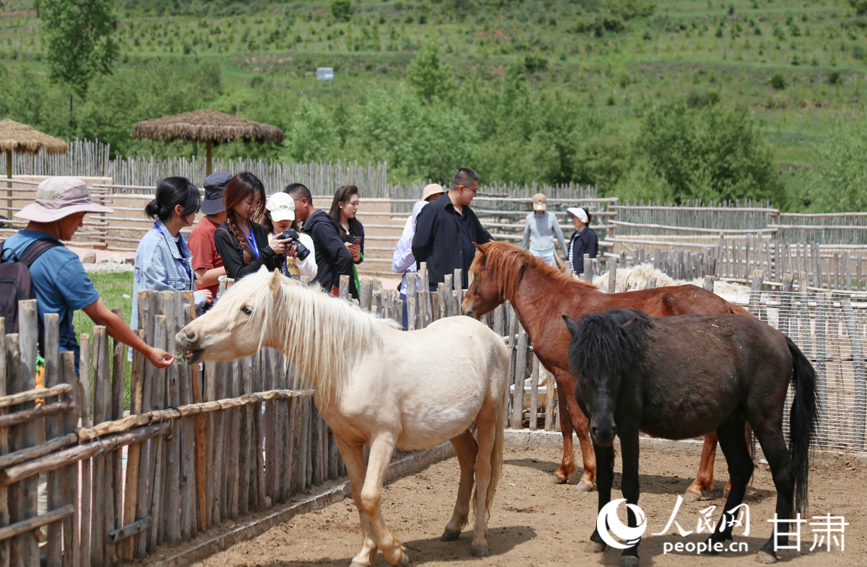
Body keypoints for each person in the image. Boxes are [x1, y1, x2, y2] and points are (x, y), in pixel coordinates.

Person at [1, 177, 173, 373]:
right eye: (80, 215)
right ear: (62, 215)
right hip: (51, 370)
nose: (81, 224)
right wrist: (148, 350)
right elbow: (103, 317)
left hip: (11, 364)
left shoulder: (6, 247)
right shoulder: (60, 259)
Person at [132, 176, 211, 334]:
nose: (196, 212)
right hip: (155, 341)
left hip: (173, 337)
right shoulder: (153, 246)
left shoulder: (177, 241)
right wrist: (197, 298)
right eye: (193, 207)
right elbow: (157, 299)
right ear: (179, 210)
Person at [412, 168, 492, 291]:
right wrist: (433, 274)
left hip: (465, 287)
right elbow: (419, 246)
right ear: (461, 189)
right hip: (439, 288)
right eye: (474, 191)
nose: (475, 195)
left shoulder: (469, 215)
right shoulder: (433, 210)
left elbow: (486, 240)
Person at [214, 172, 286, 281]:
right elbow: (238, 276)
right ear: (234, 199)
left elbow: (270, 271)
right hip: (243, 297)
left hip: (263, 295)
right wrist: (269, 251)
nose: (254, 207)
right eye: (249, 202)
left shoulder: (260, 229)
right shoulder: (223, 234)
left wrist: (280, 254)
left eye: (258, 203)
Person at [284, 182, 353, 297]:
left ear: (304, 202)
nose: (289, 210)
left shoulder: (320, 226)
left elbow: (344, 256)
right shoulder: (311, 225)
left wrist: (336, 288)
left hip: (325, 297)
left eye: (291, 205)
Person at [392, 183, 445, 329]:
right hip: (408, 292)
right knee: (406, 331)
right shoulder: (407, 239)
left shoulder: (441, 240)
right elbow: (395, 266)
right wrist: (412, 253)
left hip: (432, 294)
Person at [188, 171, 231, 301]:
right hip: (210, 306)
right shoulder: (203, 232)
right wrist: (237, 266)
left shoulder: (228, 226)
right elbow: (200, 279)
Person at [263, 191, 318, 281]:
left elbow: (311, 276)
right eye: (279, 217)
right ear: (269, 215)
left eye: (287, 217)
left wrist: (299, 258)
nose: (284, 221)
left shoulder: (304, 239)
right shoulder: (263, 238)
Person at [328, 185, 364, 299]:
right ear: (340, 204)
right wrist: (341, 250)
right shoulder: (329, 226)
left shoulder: (357, 226)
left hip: (351, 281)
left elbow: (360, 259)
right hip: (332, 280)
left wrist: (357, 255)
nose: (356, 207)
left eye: (357, 203)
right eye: (353, 204)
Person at [521, 192, 567, 268]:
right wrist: (522, 253)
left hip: (549, 253)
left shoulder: (552, 217)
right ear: (532, 206)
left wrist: (566, 253)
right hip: (534, 253)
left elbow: (559, 235)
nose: (539, 210)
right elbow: (526, 237)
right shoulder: (529, 218)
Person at [566, 206, 598, 276]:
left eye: (576, 217)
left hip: (583, 274)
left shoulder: (590, 235)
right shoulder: (574, 235)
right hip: (572, 273)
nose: (574, 219)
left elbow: (591, 255)